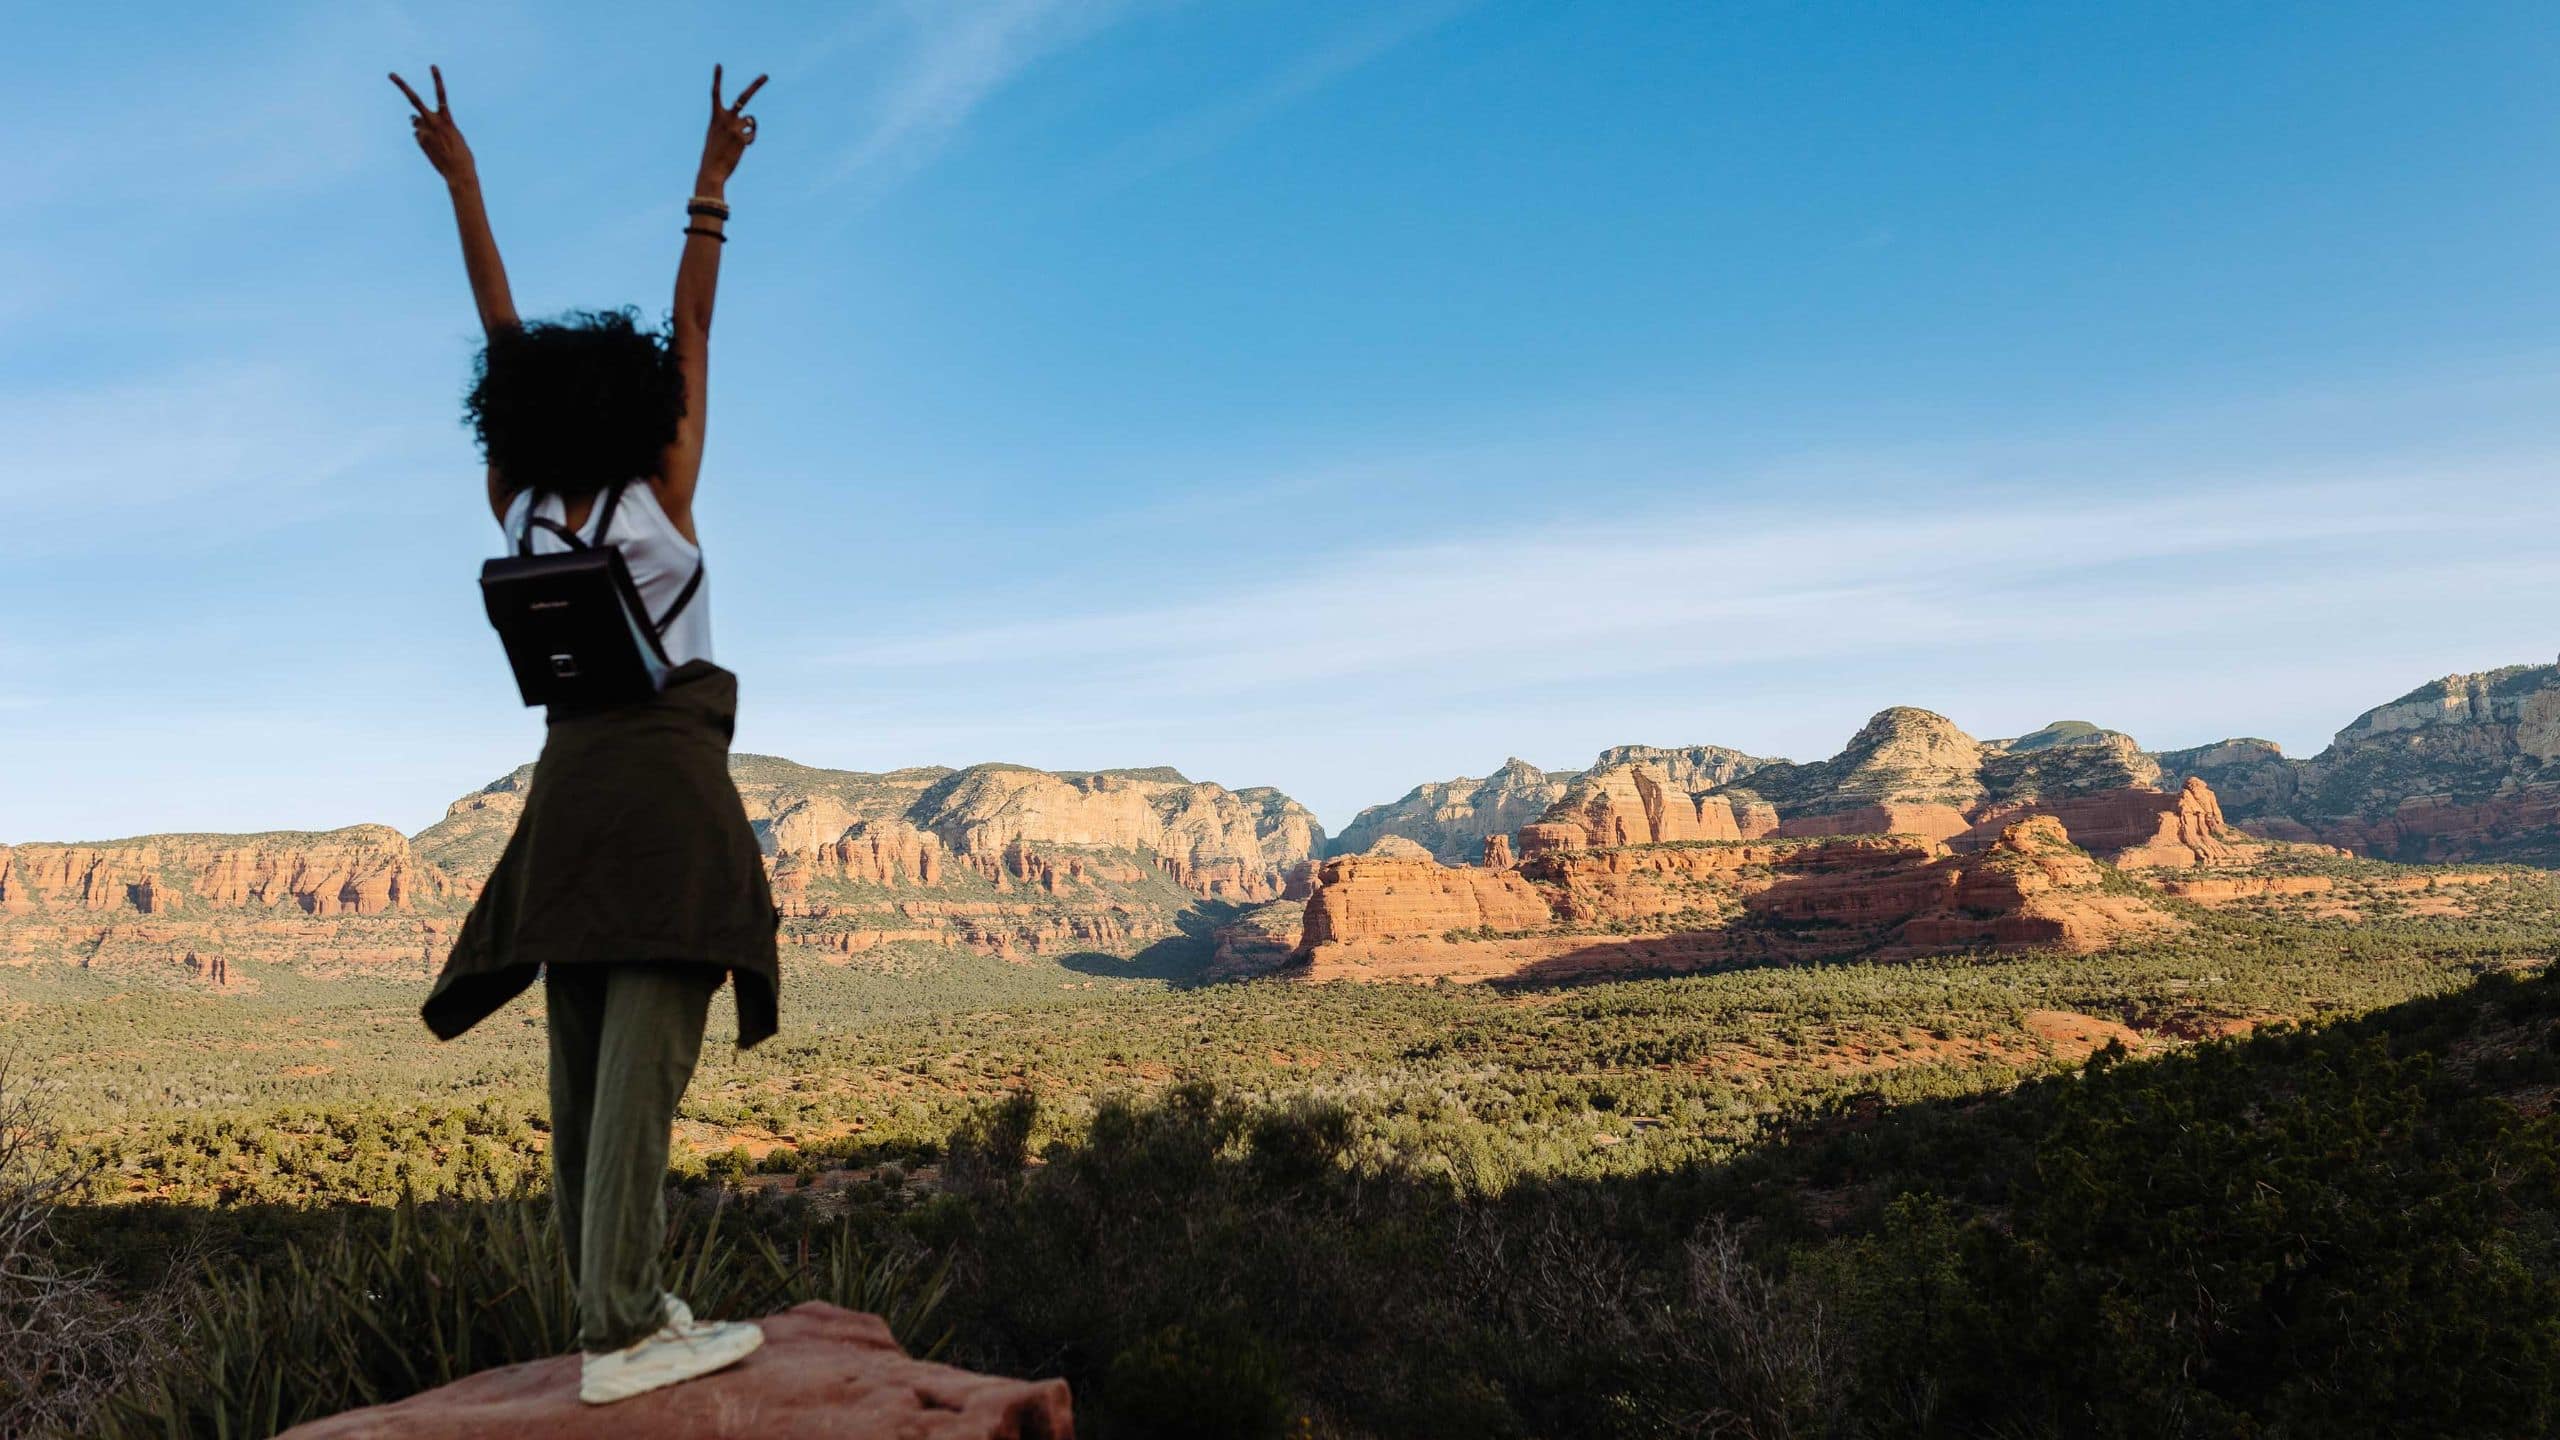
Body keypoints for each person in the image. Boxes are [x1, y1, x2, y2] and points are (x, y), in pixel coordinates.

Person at [392, 62, 783, 1406]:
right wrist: (711, 189)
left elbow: (500, 339)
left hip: (564, 811)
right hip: (666, 807)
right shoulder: (657, 496)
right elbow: (692, 329)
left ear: (522, 422)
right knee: (642, 1072)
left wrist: (463, 184)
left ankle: (606, 1307)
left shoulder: (522, 510)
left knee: (581, 1066)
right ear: (631, 408)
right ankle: (623, 1328)